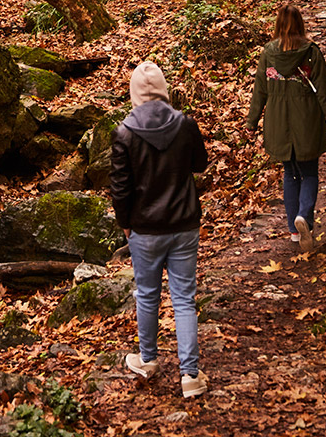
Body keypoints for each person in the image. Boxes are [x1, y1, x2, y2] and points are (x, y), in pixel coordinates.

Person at [110, 60, 209, 401]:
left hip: (145, 229)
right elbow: (201, 164)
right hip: (183, 224)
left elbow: (120, 188)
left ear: (135, 93)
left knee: (148, 295)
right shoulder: (185, 124)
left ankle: (148, 360)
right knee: (184, 300)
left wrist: (125, 224)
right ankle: (190, 375)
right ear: (164, 90)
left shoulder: (124, 132)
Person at [247, 1, 326, 250]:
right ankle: (304, 216)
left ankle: (293, 230)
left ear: (278, 26)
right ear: (300, 25)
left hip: (278, 122)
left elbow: (260, 90)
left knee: (290, 174)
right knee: (309, 172)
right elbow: (325, 92)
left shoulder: (268, 53)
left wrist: (252, 122)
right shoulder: (311, 52)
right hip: (307, 122)